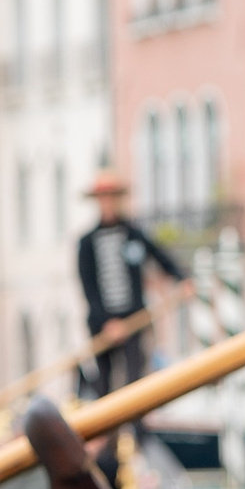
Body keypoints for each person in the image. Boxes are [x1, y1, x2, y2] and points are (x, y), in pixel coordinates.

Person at [75, 170, 187, 398]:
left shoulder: (133, 234)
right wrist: (107, 323)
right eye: (103, 198)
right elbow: (88, 288)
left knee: (135, 380)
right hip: (102, 325)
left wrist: (181, 278)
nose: (107, 203)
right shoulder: (86, 243)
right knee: (104, 382)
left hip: (134, 320)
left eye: (111, 197)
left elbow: (159, 255)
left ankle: (138, 431)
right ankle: (107, 433)